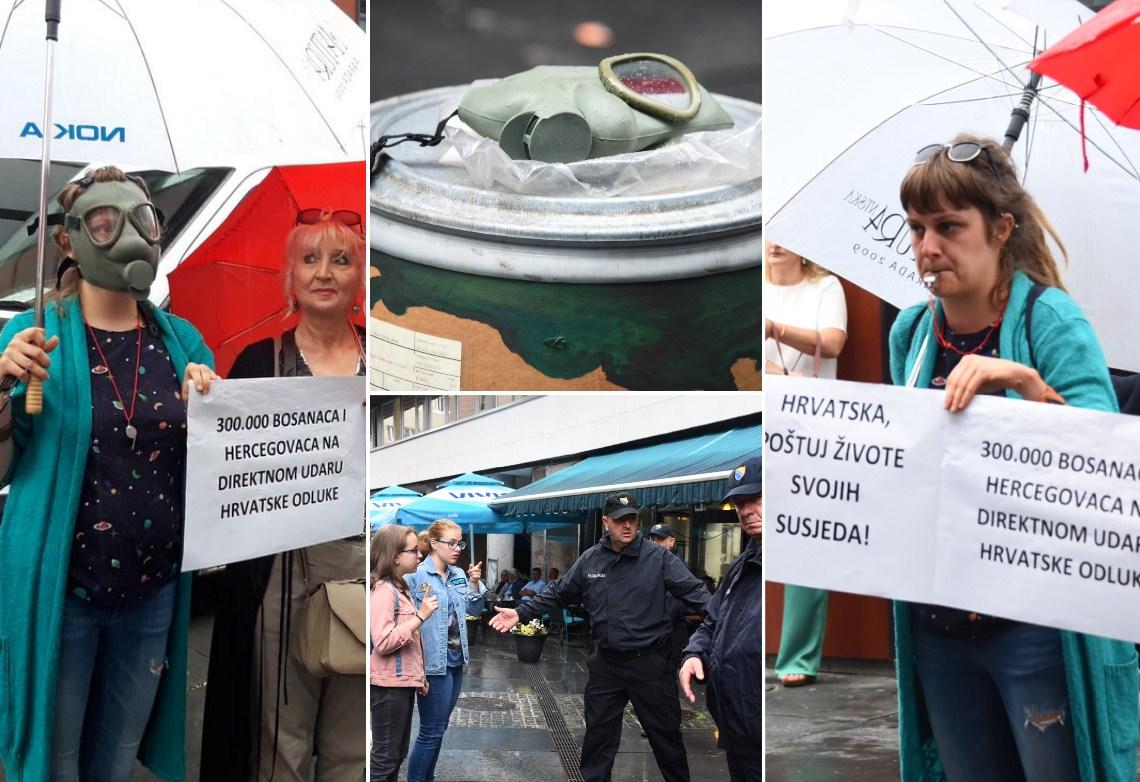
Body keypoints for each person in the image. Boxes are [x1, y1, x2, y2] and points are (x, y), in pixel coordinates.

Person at [890, 134, 1139, 781]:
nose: (928, 247)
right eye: (917, 228)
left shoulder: (1051, 320)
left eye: (949, 226)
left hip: (1034, 627)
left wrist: (1027, 386)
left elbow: (1106, 465)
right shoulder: (910, 334)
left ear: (1001, 229)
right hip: (938, 630)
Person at [0, 166, 215, 781]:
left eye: (140, 220)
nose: (127, 236)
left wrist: (211, 408)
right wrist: (2, 383)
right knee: (57, 757)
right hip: (62, 590)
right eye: (102, 222)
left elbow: (216, 469)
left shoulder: (183, 343)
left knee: (116, 759)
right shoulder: (36, 338)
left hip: (152, 594)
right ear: (68, 241)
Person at [200, 208, 367, 781]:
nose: (325, 272)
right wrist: (204, 399)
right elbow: (224, 465)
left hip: (360, 564)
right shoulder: (257, 364)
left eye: (341, 259)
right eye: (310, 258)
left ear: (359, 275)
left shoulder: (388, 361)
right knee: (280, 742)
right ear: (290, 276)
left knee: (352, 745)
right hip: (280, 572)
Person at [489, 493, 710, 782]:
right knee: (597, 741)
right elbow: (559, 592)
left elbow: (700, 597)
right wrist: (521, 613)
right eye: (620, 520)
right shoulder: (591, 559)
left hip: (650, 665)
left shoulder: (659, 558)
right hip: (606, 664)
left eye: (632, 518)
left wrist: (723, 626)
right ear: (606, 522)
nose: (627, 525)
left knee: (666, 739)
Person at [764, 240, 848, 687]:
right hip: (762, 414)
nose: (775, 243)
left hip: (812, 422)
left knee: (805, 537)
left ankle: (797, 656)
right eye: (769, 233)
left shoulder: (825, 286)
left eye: (786, 235)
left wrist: (774, 328)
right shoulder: (754, 284)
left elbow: (834, 343)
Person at [679, 457, 762, 782]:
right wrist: (693, 653)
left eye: (756, 498)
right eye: (740, 503)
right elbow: (712, 621)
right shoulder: (744, 564)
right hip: (733, 725)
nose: (746, 510)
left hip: (759, 725)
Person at [403, 519, 487, 782]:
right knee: (431, 730)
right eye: (451, 543)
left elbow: (474, 611)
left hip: (456, 660)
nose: (457, 548)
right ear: (434, 544)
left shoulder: (460, 575)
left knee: (439, 728)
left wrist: (475, 584)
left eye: (460, 542)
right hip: (432, 663)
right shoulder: (415, 575)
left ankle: (427, 777)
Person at [370, 525, 438, 782]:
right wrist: (420, 616)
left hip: (399, 684)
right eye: (413, 550)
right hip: (387, 687)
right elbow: (383, 642)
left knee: (395, 755)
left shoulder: (399, 587)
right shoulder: (385, 591)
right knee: (386, 759)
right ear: (395, 556)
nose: (419, 555)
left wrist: (418, 677)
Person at [648, 524, 690, 669]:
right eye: (652, 539)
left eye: (659, 540)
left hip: (669, 636)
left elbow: (672, 606)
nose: (654, 543)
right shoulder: (653, 562)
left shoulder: (676, 566)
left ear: (671, 542)